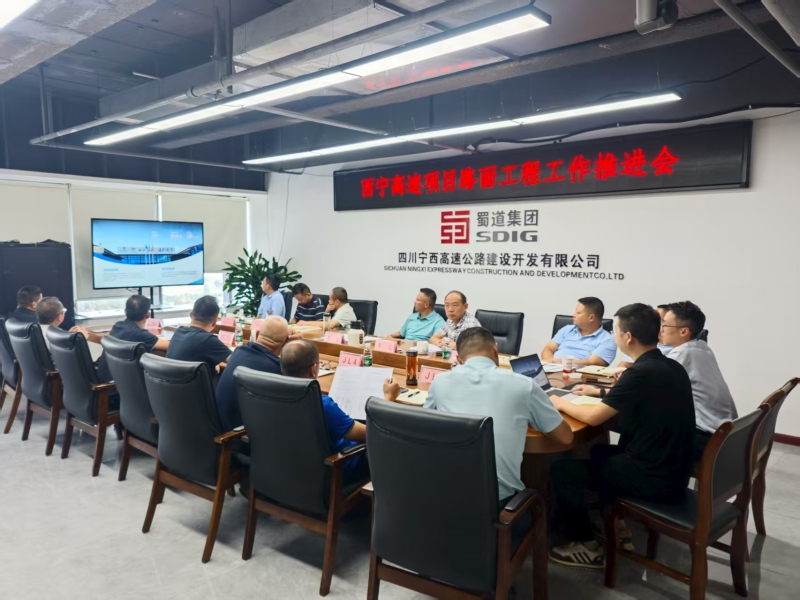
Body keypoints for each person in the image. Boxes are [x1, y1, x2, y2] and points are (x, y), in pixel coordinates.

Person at [547, 303, 695, 569]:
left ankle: (586, 545)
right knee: (598, 450)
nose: (613, 335)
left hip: (654, 478)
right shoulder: (669, 366)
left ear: (628, 337)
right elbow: (632, 398)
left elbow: (594, 417)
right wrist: (599, 393)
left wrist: (559, 402)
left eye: (614, 330)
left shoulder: (640, 372)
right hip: (673, 469)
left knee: (562, 470)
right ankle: (614, 523)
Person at [424, 327, 573, 502]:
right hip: (498, 504)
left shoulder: (439, 382)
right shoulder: (524, 385)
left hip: (443, 496)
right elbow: (566, 437)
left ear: (459, 360)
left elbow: (424, 427)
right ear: (496, 350)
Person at [281, 339, 400, 483]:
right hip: (337, 470)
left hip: (290, 470)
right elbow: (373, 434)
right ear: (314, 369)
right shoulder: (323, 405)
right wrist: (389, 398)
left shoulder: (273, 396)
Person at [661, 301, 737, 462]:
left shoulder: (681, 355)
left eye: (665, 325)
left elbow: (650, 390)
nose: (660, 329)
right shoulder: (702, 347)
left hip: (706, 439)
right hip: (725, 434)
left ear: (684, 331)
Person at [215, 316, 291, 432]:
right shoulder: (278, 369)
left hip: (220, 427)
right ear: (286, 342)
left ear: (258, 333)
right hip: (240, 434)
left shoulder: (238, 352)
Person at [92, 295, 170, 384]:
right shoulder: (140, 334)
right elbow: (171, 347)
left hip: (105, 377)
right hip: (115, 385)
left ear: (126, 311)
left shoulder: (118, 326)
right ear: (148, 314)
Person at [541, 297, 616, 367]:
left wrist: (560, 362)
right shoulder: (567, 329)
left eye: (578, 312)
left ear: (591, 317)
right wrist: (550, 363)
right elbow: (548, 348)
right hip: (552, 369)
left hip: (579, 374)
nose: (573, 315)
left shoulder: (607, 340)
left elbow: (592, 363)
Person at [167, 296, 231, 372]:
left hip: (171, 379)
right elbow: (235, 360)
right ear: (215, 320)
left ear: (191, 314)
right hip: (193, 380)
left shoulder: (179, 332)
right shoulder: (208, 340)